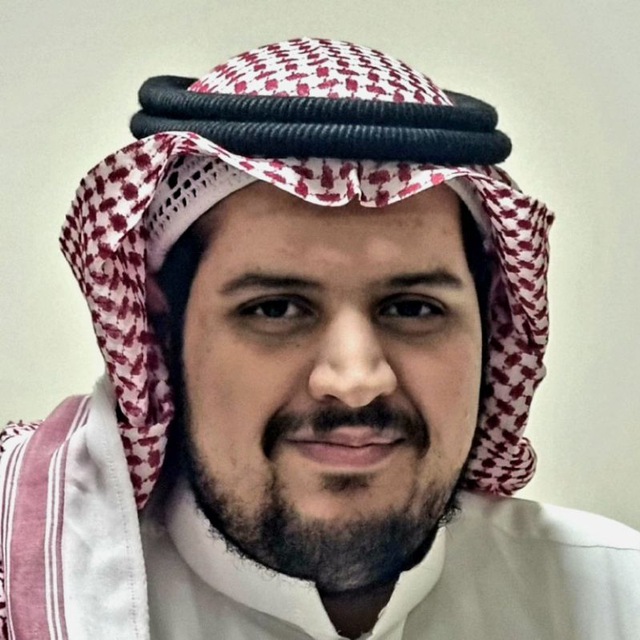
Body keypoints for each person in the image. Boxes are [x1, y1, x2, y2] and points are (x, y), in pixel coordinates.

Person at [2, 37, 639, 640]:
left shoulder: (613, 599)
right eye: (276, 309)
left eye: (414, 309)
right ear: (165, 332)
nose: (356, 381)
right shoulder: (37, 585)